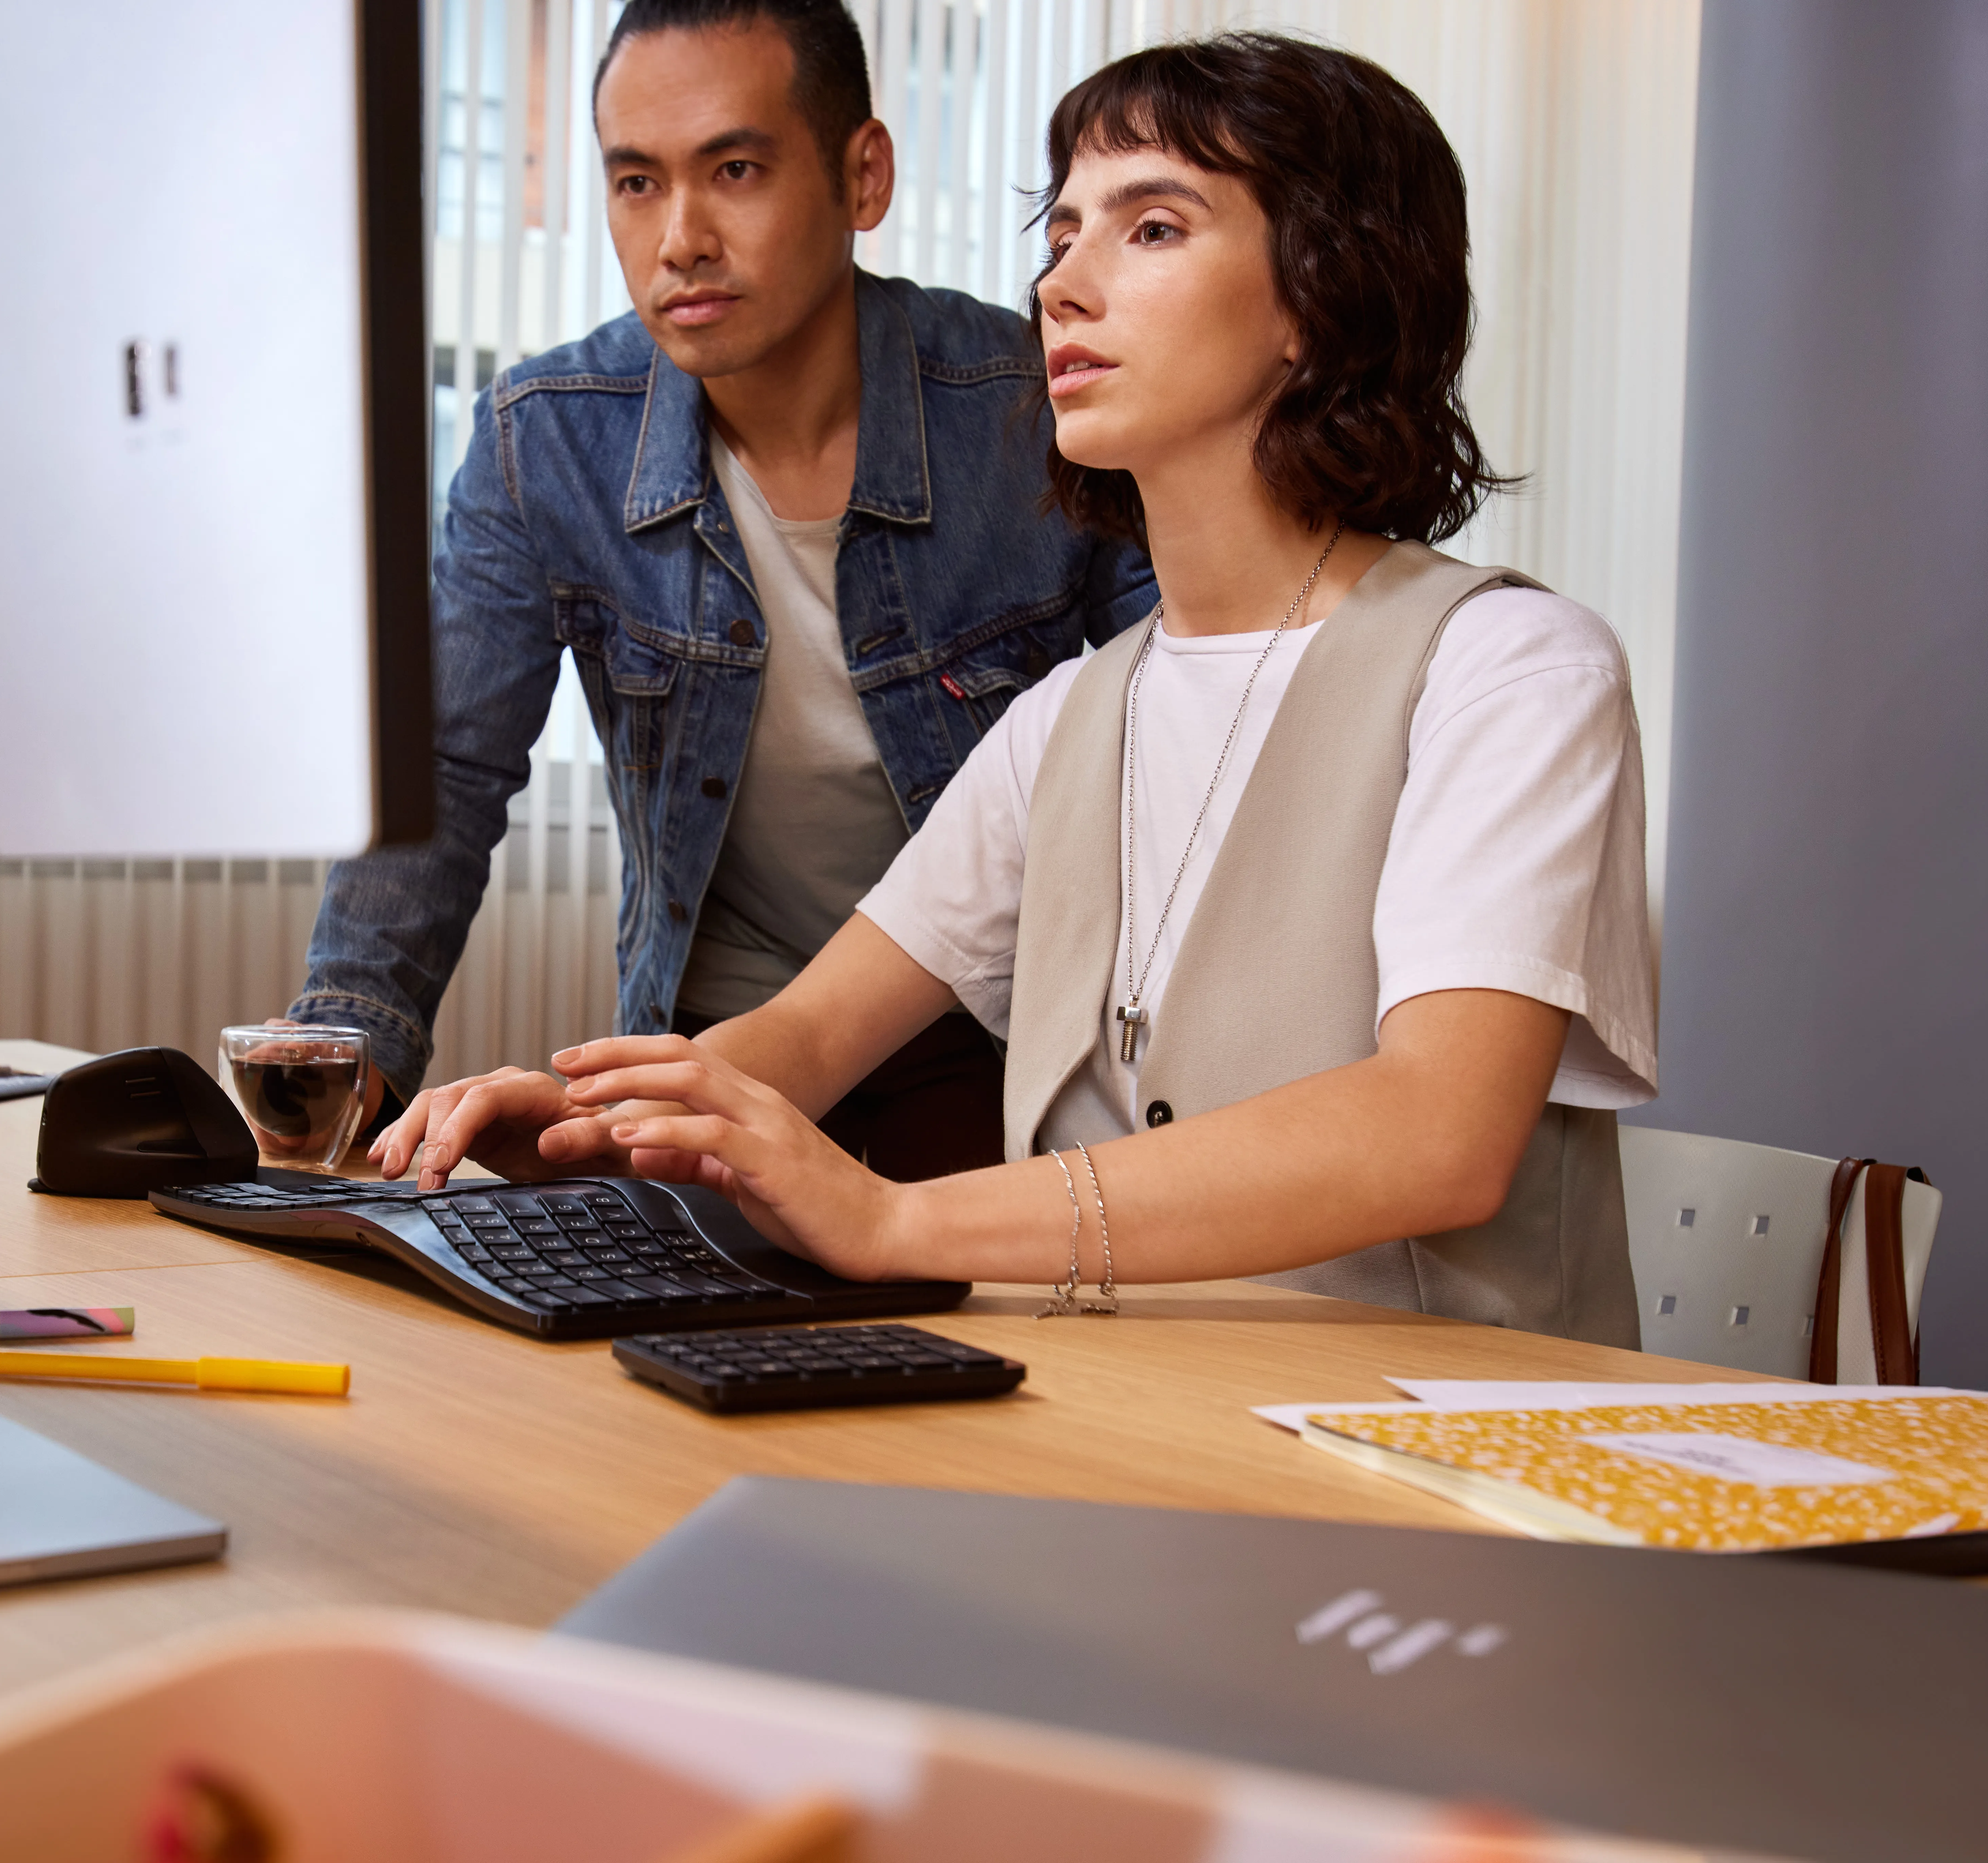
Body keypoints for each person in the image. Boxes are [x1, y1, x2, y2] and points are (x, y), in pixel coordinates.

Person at [375, 32, 1656, 1345]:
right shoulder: (1069, 719)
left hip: (1431, 1439)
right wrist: (586, 1118)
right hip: (1117, 1421)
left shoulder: (1511, 671)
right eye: (1062, 235)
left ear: (1317, 300)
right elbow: (810, 1035)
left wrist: (894, 1222)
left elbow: (1438, 1134)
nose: (1062, 286)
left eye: (1152, 229)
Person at [286, 0, 1156, 1181]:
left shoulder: (1037, 408)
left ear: (863, 176)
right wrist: (334, 1086)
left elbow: (1191, 742)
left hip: (999, 1041)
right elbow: (442, 774)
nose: (681, 239)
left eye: (735, 170)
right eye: (637, 183)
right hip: (718, 1047)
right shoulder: (548, 439)